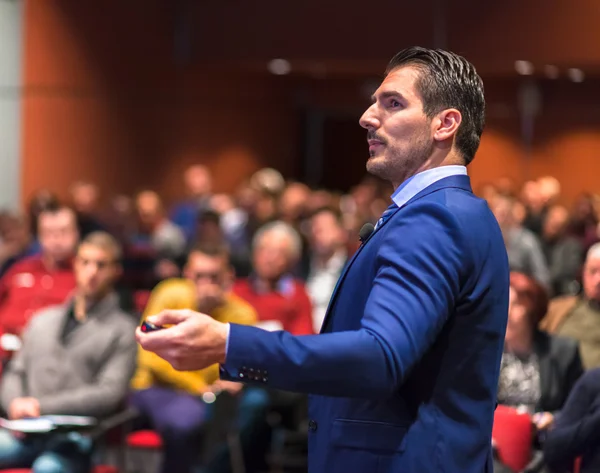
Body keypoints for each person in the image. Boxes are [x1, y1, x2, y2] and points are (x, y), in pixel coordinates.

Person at [137, 46, 509, 473]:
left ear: (445, 124)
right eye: (374, 103)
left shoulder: (435, 216)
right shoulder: (458, 212)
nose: (367, 117)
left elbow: (380, 356)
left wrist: (229, 342)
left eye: (392, 103)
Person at [0, 231, 137, 472]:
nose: (92, 272)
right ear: (75, 265)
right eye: (85, 262)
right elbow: (15, 371)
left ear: (116, 271)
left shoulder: (122, 329)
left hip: (76, 436)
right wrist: (15, 404)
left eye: (101, 265)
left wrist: (41, 406)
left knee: (48, 468)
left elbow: (109, 393)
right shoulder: (43, 320)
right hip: (24, 429)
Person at [131, 243, 265, 473]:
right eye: (200, 276)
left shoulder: (242, 313)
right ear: (188, 275)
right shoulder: (169, 293)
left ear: (228, 276)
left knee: (253, 404)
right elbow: (149, 358)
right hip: (158, 387)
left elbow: (245, 365)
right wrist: (200, 388)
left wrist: (235, 378)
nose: (206, 284)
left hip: (213, 397)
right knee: (189, 420)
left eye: (214, 277)